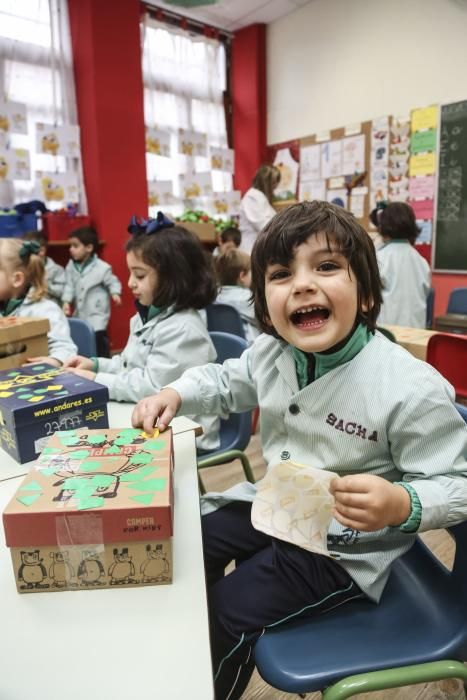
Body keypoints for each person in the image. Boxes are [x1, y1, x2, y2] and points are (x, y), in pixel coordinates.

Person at [131, 201, 467, 700]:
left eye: (327, 266)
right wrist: (175, 393)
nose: (303, 284)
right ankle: (186, 649)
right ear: (265, 306)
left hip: (340, 549)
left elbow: (457, 486)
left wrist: (403, 504)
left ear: (367, 293)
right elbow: (225, 381)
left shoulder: (410, 388)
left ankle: (209, 680)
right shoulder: (272, 352)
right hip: (278, 505)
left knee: (229, 608)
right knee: (187, 539)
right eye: (282, 274)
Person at [64, 212, 220, 451]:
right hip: (153, 417)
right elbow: (129, 365)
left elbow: (150, 386)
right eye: (130, 273)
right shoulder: (145, 316)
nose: (129, 283)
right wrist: (95, 365)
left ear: (172, 277)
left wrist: (96, 380)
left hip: (187, 432)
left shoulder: (184, 329)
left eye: (139, 275)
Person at [0, 238, 77, 365]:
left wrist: (54, 361)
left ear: (17, 279)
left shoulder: (46, 310)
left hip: (35, 380)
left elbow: (65, 348)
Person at [62, 226, 122, 357]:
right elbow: (69, 285)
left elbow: (112, 281)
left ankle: (104, 362)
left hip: (96, 312)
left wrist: (115, 293)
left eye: (75, 246)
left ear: (89, 248)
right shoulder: (71, 267)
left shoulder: (102, 267)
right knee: (83, 340)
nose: (70, 249)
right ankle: (88, 363)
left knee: (98, 338)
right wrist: (66, 301)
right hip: (80, 312)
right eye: (70, 245)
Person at [376, 202, 431, 328]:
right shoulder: (422, 262)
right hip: (416, 334)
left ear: (383, 227)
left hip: (387, 336)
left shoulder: (378, 258)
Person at [214, 248, 259, 344]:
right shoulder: (250, 299)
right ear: (242, 276)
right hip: (248, 351)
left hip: (220, 348)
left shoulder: (212, 297)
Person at [239, 164, 280, 254]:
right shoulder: (252, 197)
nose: (276, 186)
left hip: (259, 249)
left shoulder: (260, 197)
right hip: (250, 249)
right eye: (273, 182)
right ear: (265, 181)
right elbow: (263, 225)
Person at [22, 230, 65, 304]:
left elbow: (62, 291)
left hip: (50, 309)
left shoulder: (57, 270)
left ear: (42, 250)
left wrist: (44, 284)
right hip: (28, 310)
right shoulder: (22, 268)